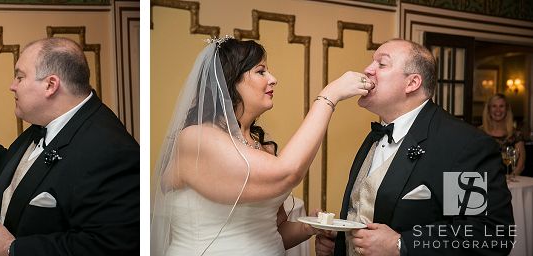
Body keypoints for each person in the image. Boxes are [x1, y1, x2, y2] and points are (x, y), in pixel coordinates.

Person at [150, 37, 371, 255]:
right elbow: (287, 172)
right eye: (261, 71)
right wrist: (329, 96)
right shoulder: (196, 139)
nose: (273, 79)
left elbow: (272, 232)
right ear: (231, 79)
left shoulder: (264, 149)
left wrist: (309, 227)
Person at [0, 37, 139, 255]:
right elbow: (21, 177)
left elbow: (109, 245)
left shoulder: (112, 150)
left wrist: (12, 249)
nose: (12, 86)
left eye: (20, 77)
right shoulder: (47, 123)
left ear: (50, 85)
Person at [315, 39, 514, 256]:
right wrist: (342, 244)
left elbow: (487, 235)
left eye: (381, 64)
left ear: (412, 83)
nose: (367, 70)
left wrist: (402, 244)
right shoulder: (376, 134)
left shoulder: (460, 145)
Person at [481, 94, 525, 178]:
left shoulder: (516, 134)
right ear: (489, 109)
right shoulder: (479, 133)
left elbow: (521, 165)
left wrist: (509, 179)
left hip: (509, 184)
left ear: (507, 110)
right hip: (485, 182)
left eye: (501, 106)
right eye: (494, 106)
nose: (498, 110)